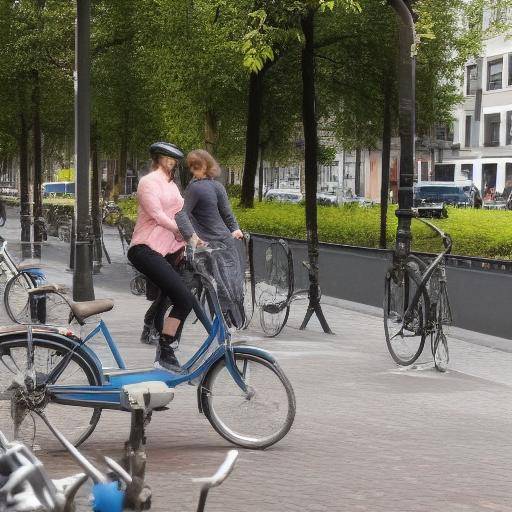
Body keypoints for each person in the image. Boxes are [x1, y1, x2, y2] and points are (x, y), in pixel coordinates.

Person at [127, 141, 202, 371]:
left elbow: (182, 213)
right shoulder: (148, 183)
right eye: (167, 158)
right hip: (144, 249)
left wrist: (203, 236)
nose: (172, 162)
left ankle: (163, 346)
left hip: (166, 251)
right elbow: (158, 216)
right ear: (157, 158)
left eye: (174, 159)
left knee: (178, 297)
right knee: (182, 298)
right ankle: (164, 350)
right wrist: (183, 233)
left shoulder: (172, 186)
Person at [179, 149, 246, 328]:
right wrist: (192, 237)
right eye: (191, 167)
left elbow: (227, 213)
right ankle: (222, 328)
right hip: (210, 247)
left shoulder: (216, 187)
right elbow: (181, 215)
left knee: (227, 285)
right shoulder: (195, 188)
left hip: (222, 243)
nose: (194, 171)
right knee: (222, 285)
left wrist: (236, 229)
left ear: (207, 166)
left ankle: (223, 328)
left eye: (197, 166)